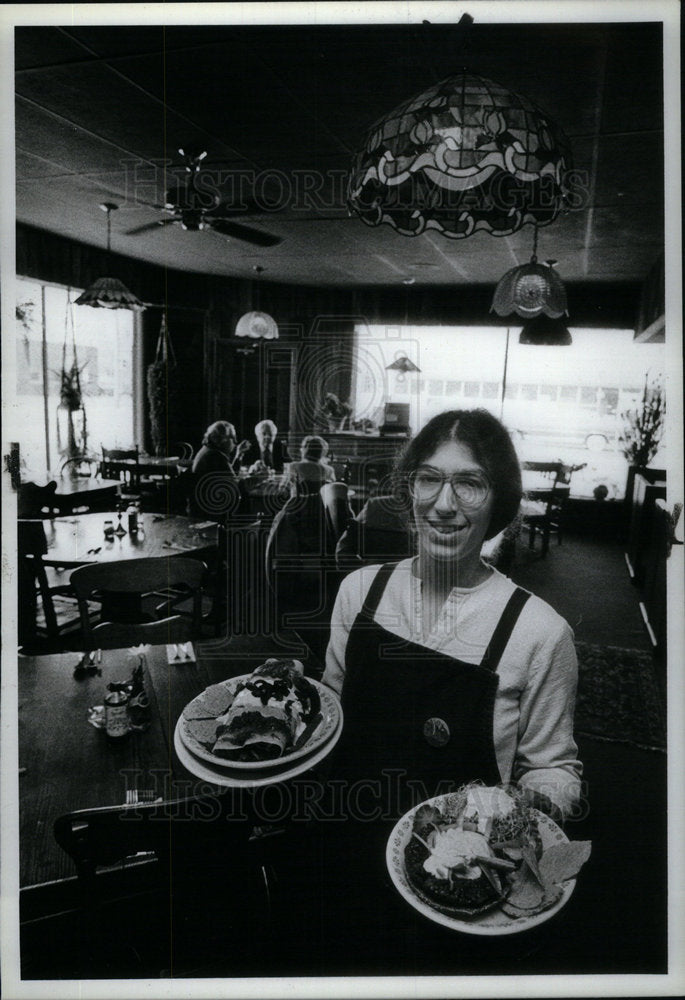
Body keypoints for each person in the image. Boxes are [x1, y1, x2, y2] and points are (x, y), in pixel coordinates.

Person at [323, 408, 582, 821]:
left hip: (456, 865)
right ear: (410, 489)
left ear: (500, 500)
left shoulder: (540, 632)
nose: (444, 504)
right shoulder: (358, 591)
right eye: (428, 478)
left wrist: (538, 806)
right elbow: (330, 708)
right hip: (339, 833)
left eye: (470, 484)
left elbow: (552, 767)